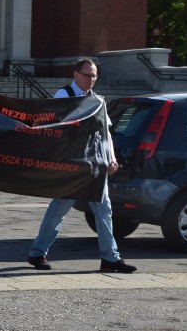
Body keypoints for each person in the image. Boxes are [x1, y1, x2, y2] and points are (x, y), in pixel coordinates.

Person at [27, 59, 137, 273]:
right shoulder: (63, 96)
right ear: (76, 74)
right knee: (59, 209)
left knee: (104, 210)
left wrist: (111, 158)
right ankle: (37, 253)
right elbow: (54, 131)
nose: (91, 80)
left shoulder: (97, 100)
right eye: (87, 75)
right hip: (71, 166)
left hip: (94, 165)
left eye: (94, 76)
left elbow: (106, 134)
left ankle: (110, 258)